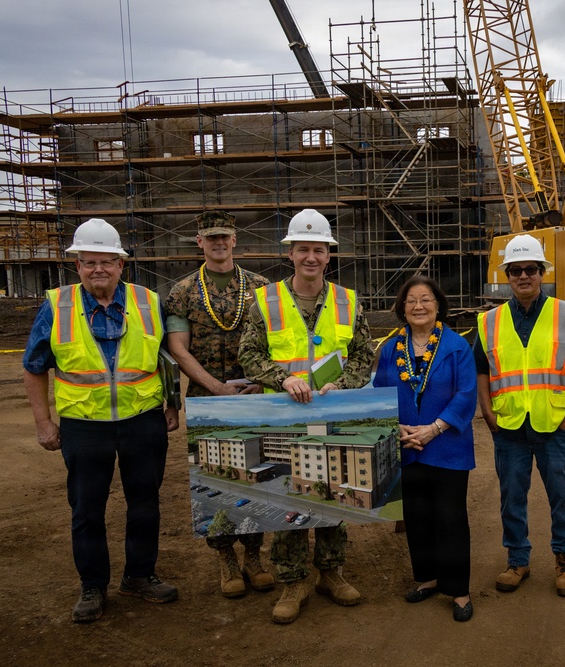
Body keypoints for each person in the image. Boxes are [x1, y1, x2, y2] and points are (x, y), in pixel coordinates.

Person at [22, 218, 180, 623]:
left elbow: (168, 357)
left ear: (121, 265)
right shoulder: (56, 306)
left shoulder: (148, 301)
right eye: (89, 262)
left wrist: (173, 405)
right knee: (86, 509)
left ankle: (140, 576)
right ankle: (92, 585)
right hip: (83, 426)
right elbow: (35, 366)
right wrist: (44, 422)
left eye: (106, 262)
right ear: (77, 265)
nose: (98, 270)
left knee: (145, 504)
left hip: (143, 420)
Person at [238, 209, 375, 624]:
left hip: (332, 415)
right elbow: (249, 354)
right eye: (303, 249)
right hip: (284, 418)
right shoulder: (264, 301)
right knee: (291, 496)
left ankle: (330, 571)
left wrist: (343, 385)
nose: (311, 257)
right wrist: (282, 379)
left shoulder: (349, 301)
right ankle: (292, 580)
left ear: (328, 256)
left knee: (335, 489)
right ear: (291, 254)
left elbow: (364, 356)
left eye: (319, 249)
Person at [474, 234, 565, 598]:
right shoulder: (489, 321)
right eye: (516, 270)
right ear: (507, 275)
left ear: (542, 272)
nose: (523, 276)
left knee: (562, 494)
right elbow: (482, 371)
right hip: (509, 425)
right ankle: (517, 560)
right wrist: (488, 413)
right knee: (512, 496)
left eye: (530, 269)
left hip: (555, 423)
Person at [165, 211, 275, 599]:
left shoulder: (261, 288)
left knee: (258, 475)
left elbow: (274, 343)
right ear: (200, 241)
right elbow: (178, 347)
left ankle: (254, 555)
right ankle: (226, 557)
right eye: (211, 237)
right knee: (215, 480)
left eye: (224, 236)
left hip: (254, 398)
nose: (219, 243)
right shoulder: (182, 292)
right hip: (208, 400)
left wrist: (261, 385)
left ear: (234, 239)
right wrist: (215, 388)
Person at [373, 275, 477, 622]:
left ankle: (459, 590)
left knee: (451, 518)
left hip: (447, 446)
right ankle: (428, 578)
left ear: (438, 305)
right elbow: (380, 394)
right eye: (411, 300)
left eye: (426, 299)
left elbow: (466, 394)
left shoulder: (457, 346)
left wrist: (434, 429)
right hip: (406, 446)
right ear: (402, 308)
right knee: (417, 517)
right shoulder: (390, 349)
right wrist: (397, 427)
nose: (418, 306)